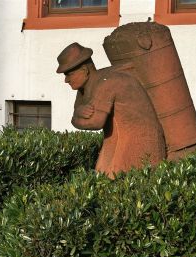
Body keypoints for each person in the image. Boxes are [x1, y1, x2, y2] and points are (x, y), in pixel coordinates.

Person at [57, 42, 166, 179]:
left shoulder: (108, 83)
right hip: (116, 138)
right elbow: (76, 116)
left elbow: (95, 122)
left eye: (69, 74)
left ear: (84, 70)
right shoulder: (84, 89)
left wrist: (76, 116)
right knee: (102, 180)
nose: (66, 80)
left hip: (141, 141)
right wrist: (77, 114)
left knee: (116, 182)